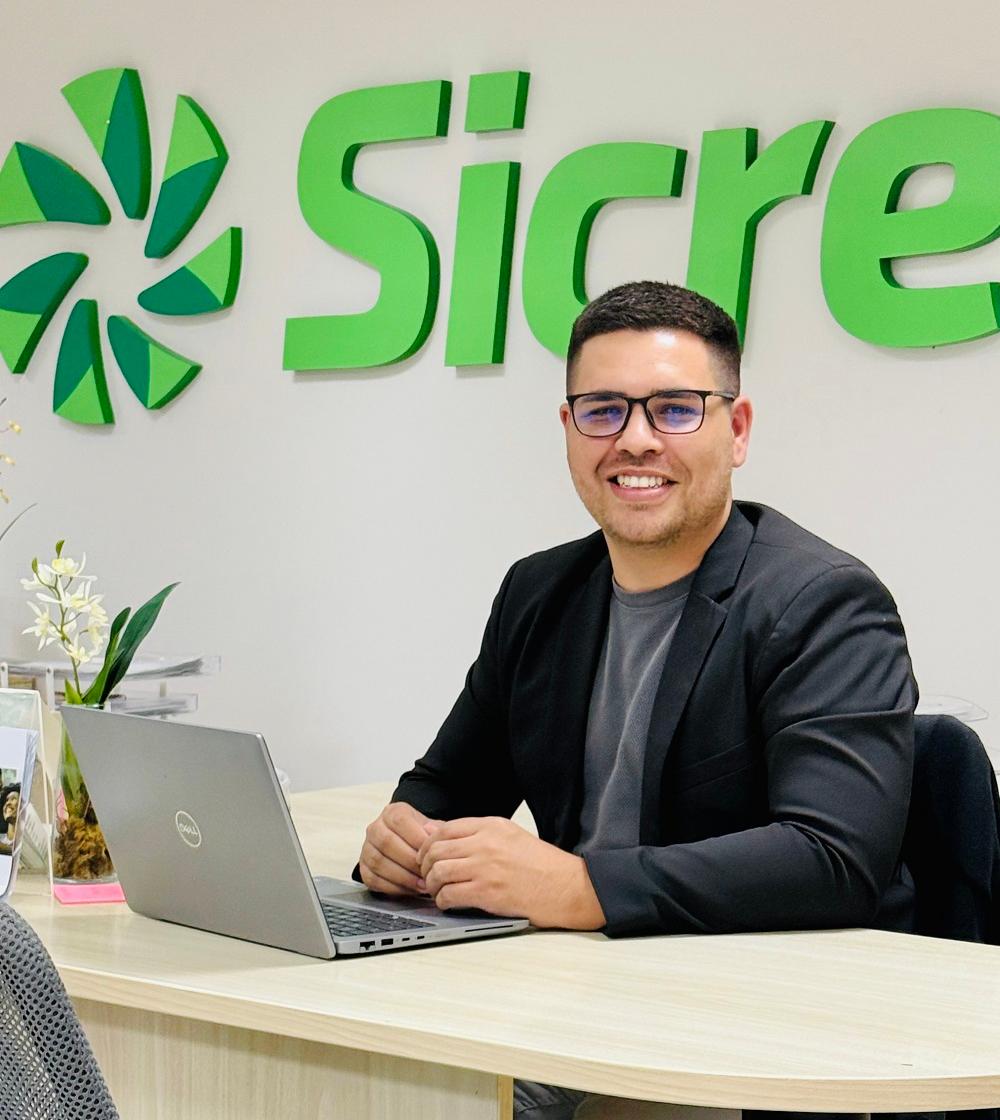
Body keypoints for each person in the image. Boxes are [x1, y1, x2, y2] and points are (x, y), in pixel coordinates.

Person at [357, 281, 916, 1119]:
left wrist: (581, 885)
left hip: (736, 1011)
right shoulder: (540, 591)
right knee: (340, 1066)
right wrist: (402, 836)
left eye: (677, 411)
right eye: (604, 411)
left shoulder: (822, 601)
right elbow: (446, 784)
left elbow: (833, 859)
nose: (637, 441)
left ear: (739, 431)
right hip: (562, 987)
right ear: (570, 430)